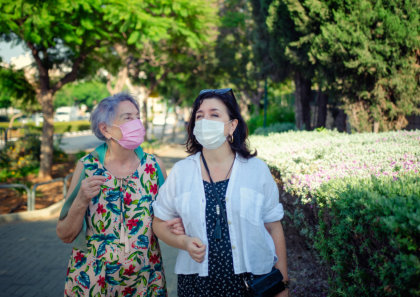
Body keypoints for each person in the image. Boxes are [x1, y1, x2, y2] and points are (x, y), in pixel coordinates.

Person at [152, 88, 289, 297]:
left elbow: (273, 226)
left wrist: (283, 283)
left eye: (214, 114)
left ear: (232, 125)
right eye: (199, 116)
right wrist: (184, 243)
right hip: (196, 285)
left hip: (253, 283)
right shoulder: (181, 172)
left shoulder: (257, 170)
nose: (205, 120)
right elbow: (159, 223)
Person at [57, 93, 181, 297]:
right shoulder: (87, 166)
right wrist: (81, 199)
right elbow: (64, 234)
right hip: (92, 281)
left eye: (138, 117)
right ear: (105, 129)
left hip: (146, 280)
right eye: (128, 118)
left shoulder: (153, 166)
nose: (137, 123)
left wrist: (178, 226)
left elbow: (167, 224)